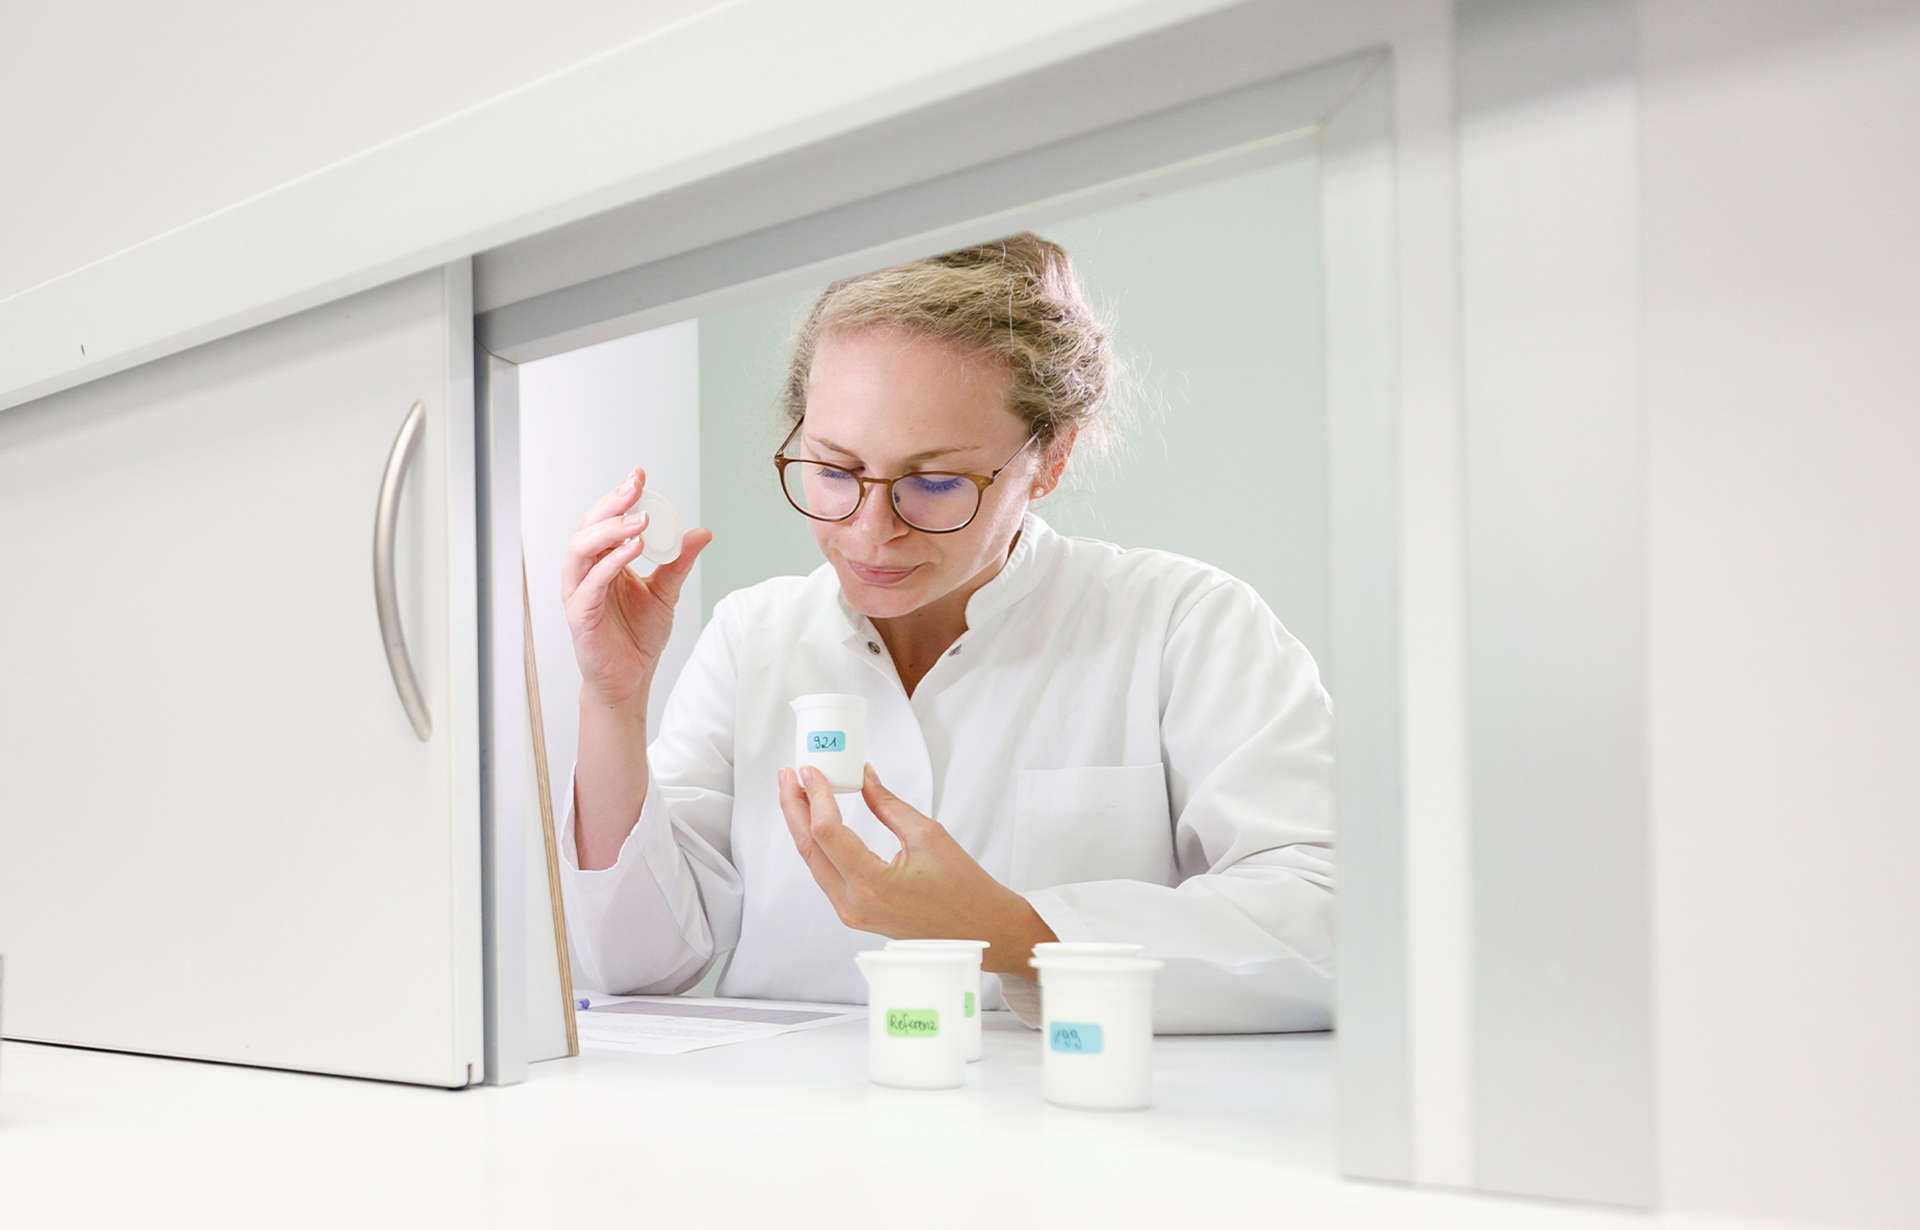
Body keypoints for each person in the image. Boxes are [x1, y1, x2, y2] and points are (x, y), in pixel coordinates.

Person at [557, 233, 1333, 1033]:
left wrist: (1008, 930)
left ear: (1051, 458)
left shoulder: (1183, 625)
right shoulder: (752, 636)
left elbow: (1329, 917)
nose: (869, 532)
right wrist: (612, 700)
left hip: (1064, 1107)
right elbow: (633, 967)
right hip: (793, 1103)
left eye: (933, 483)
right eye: (834, 470)